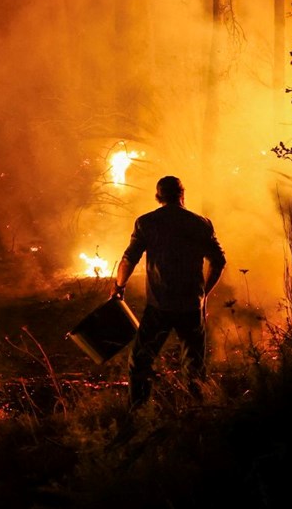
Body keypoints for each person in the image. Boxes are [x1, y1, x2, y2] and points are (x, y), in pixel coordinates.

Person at [111, 175, 227, 411]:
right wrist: (203, 293)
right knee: (194, 364)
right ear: (182, 195)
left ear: (158, 197)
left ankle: (139, 411)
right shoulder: (200, 223)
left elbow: (128, 259)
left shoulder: (146, 223)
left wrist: (119, 287)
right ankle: (196, 413)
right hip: (190, 307)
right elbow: (219, 261)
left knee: (141, 361)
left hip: (159, 307)